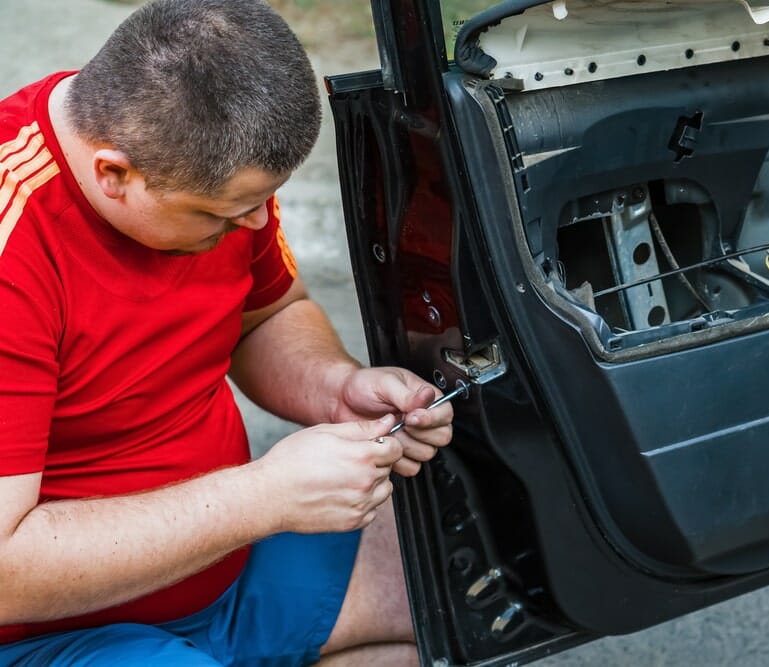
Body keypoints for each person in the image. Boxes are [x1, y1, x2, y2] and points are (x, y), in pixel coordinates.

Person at [0, 0, 450, 664]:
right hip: (50, 633)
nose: (251, 227)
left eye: (257, 205)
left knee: (458, 594)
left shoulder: (188, 150)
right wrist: (263, 496)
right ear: (114, 174)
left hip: (228, 570)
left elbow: (267, 310)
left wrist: (336, 386)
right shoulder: (15, 244)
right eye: (228, 214)